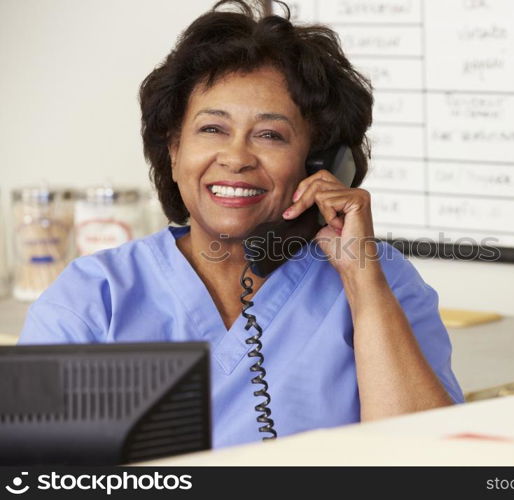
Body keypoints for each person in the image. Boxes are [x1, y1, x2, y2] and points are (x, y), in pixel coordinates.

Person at [18, 0, 463, 448]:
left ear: (318, 164)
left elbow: (434, 463)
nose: (235, 158)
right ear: (174, 150)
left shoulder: (382, 281)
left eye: (270, 135)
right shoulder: (93, 299)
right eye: (212, 129)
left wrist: (363, 286)